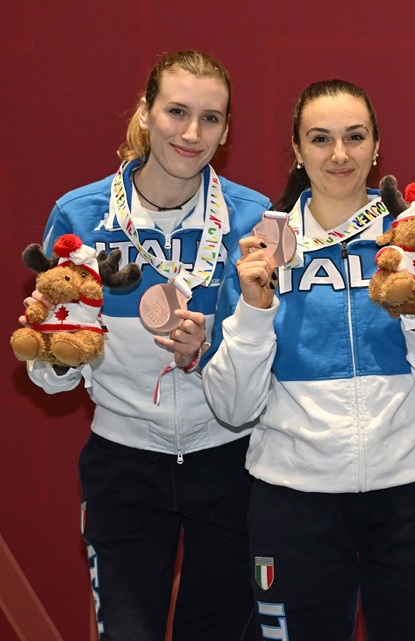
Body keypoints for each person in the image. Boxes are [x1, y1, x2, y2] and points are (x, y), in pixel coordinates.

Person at [201, 79, 415, 641]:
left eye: (355, 137)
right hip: (292, 500)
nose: (339, 154)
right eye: (320, 138)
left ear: (377, 147)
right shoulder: (260, 250)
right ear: (297, 150)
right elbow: (232, 409)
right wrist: (254, 311)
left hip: (414, 495)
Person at [20, 50, 270, 640]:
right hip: (124, 464)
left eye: (210, 118)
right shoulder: (80, 214)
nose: (192, 133)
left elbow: (265, 355)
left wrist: (205, 355)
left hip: (230, 460)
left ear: (226, 130)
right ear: (145, 113)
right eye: (176, 111)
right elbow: (48, 375)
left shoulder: (253, 217)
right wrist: (60, 353)